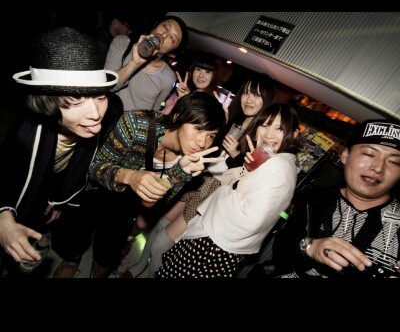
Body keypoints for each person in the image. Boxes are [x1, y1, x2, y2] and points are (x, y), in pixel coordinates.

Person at [121, 74, 276, 278]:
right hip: (200, 179)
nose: (249, 99)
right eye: (246, 92)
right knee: (159, 226)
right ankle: (139, 266)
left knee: (162, 243)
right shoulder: (231, 118)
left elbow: (249, 179)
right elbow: (202, 143)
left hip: (215, 192)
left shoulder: (260, 136)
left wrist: (237, 156)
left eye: (256, 95)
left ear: (266, 100)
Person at [56, 91, 226, 278]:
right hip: (95, 191)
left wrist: (180, 173)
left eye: (211, 136)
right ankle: (71, 260)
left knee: (108, 253)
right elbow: (94, 168)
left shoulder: (190, 160)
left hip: (126, 203)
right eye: (198, 129)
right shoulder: (136, 125)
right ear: (177, 117)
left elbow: (160, 200)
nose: (202, 142)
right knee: (74, 237)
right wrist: (129, 176)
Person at [0, 27, 122, 277]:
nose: (95, 114)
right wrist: (2, 219)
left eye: (100, 96)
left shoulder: (110, 112)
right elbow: (6, 178)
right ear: (47, 102)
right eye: (76, 101)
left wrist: (60, 201)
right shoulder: (24, 136)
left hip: (60, 183)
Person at [153, 103, 300, 278]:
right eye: (265, 125)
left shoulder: (278, 165)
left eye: (279, 129)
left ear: (294, 134)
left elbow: (250, 220)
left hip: (213, 246)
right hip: (216, 239)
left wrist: (223, 190)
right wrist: (249, 168)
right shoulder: (276, 161)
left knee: (164, 258)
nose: (269, 134)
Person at [273, 118, 400, 279]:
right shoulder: (315, 199)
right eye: (369, 154)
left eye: (395, 162)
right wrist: (310, 247)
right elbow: (280, 247)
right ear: (345, 155)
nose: (378, 168)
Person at [104, 15, 188, 111]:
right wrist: (134, 64)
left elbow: (154, 111)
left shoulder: (169, 77)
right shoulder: (122, 43)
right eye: (165, 27)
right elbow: (106, 86)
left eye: (172, 39)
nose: (164, 35)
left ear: (172, 53)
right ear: (155, 25)